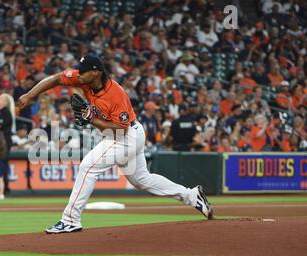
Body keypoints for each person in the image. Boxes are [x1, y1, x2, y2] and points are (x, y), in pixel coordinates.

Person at [17, 54, 213, 234]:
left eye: (84, 70)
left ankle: (70, 220)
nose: (79, 73)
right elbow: (56, 78)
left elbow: (121, 129)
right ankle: (192, 195)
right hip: (123, 134)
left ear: (96, 72)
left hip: (126, 136)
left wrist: (90, 118)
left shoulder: (116, 94)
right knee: (141, 180)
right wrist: (30, 95)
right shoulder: (83, 78)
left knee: (87, 166)